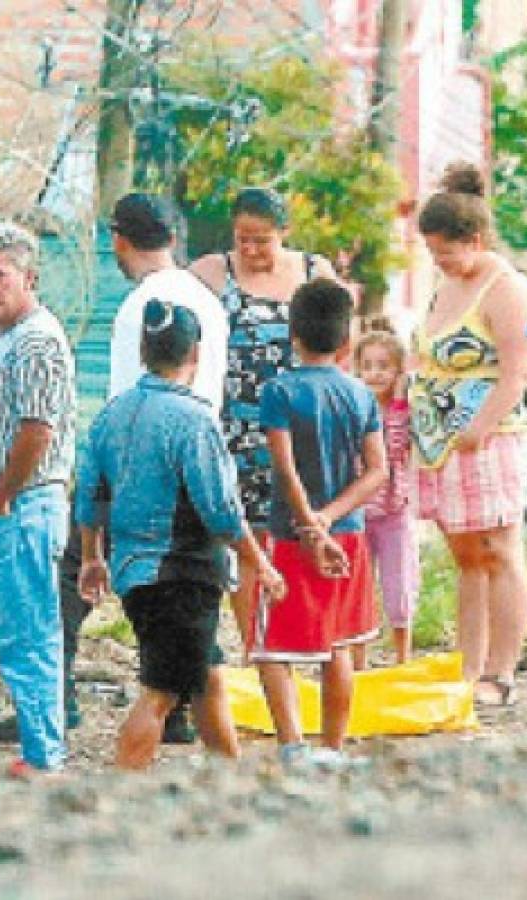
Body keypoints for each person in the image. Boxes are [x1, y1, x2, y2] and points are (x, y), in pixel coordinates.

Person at [0, 192, 226, 745]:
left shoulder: (140, 308)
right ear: (172, 237)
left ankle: (52, 699)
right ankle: (181, 707)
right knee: (179, 590)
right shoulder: (205, 298)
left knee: (67, 582)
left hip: (142, 474)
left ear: (119, 240)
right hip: (197, 463)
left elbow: (128, 403)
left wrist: (101, 490)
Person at [76, 299, 284, 770]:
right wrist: (260, 562)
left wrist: (92, 556)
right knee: (161, 691)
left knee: (207, 673)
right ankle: (118, 793)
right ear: (196, 354)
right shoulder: (193, 420)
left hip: (134, 572)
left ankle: (229, 778)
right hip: (183, 573)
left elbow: (87, 493)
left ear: (143, 352)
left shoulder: (111, 414)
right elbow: (221, 510)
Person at [411, 163, 527, 705]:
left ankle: (501, 672)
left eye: (446, 251)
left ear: (476, 239)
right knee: (464, 554)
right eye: (433, 252)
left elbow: (517, 371)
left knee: (498, 550)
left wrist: (478, 428)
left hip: (492, 436)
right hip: (440, 440)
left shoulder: (506, 288)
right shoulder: (446, 285)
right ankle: (468, 665)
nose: (439, 261)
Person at [190, 187, 338, 647]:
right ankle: (255, 648)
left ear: (285, 233)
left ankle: (305, 641)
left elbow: (339, 346)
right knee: (246, 537)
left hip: (300, 430)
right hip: (237, 428)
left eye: (262, 240)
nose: (251, 250)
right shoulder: (212, 271)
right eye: (243, 239)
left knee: (302, 531)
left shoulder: (316, 272)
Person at [252, 278, 386, 768]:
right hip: (346, 535)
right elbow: (377, 471)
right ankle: (333, 748)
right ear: (347, 342)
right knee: (341, 645)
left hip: (289, 537)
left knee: (272, 649)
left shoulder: (279, 391)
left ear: (294, 336)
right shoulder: (360, 395)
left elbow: (284, 467)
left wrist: (308, 523)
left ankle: (292, 747)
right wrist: (329, 519)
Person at [0, 227, 76, 776]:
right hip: (11, 501)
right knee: (17, 633)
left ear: (28, 279)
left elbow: (38, 430)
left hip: (24, 502)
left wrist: (2, 498)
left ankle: (43, 756)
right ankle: (39, 748)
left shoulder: (35, 341)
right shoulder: (6, 338)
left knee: (30, 633)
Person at [355, 323, 420, 666]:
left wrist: (399, 400)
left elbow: (396, 448)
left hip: (394, 509)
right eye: (368, 366)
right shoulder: (353, 409)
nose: (375, 374)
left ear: (397, 371)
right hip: (358, 511)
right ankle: (358, 658)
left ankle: (402, 656)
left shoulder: (403, 412)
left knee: (400, 584)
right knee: (358, 587)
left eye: (384, 366)